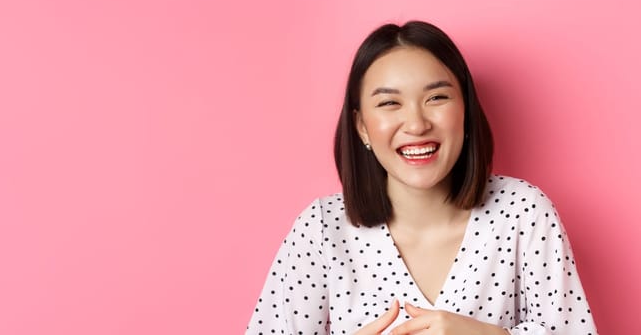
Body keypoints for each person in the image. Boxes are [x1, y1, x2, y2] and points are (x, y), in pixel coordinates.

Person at [245, 21, 597, 334]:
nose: (416, 125)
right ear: (362, 127)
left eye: (437, 97)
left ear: (466, 112)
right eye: (389, 103)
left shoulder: (523, 212)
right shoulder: (321, 230)